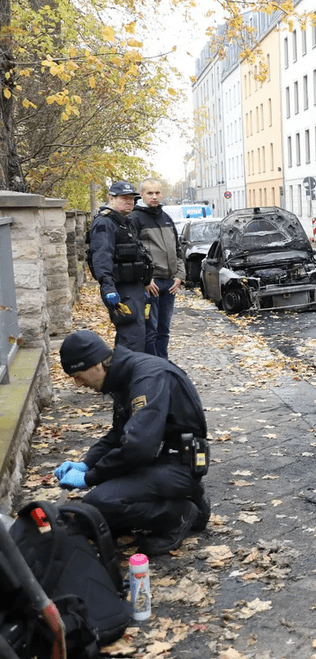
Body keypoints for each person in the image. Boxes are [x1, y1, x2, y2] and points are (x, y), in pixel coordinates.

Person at [55, 329, 211, 556]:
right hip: (163, 457)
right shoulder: (123, 375)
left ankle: (180, 514)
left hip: (178, 463)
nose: (79, 384)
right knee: (95, 509)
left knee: (102, 501)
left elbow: (139, 447)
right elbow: (119, 433)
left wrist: (89, 478)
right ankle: (184, 497)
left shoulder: (146, 379)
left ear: (97, 365)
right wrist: (86, 463)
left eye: (79, 375)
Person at [89, 181, 152, 352]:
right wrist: (108, 287)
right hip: (122, 290)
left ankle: (129, 373)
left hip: (134, 288)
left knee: (137, 336)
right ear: (111, 198)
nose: (129, 202)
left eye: (132, 198)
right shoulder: (105, 223)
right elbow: (102, 257)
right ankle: (127, 375)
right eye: (124, 198)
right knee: (131, 340)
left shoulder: (124, 221)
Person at [131, 178, 185, 359]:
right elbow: (133, 255)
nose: (154, 197)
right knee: (150, 331)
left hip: (170, 284)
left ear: (161, 194)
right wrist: (145, 280)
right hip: (151, 285)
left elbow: (178, 250)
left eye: (157, 193)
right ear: (142, 195)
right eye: (150, 193)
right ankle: (152, 368)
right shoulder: (135, 219)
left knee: (164, 330)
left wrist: (179, 276)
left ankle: (164, 364)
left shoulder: (166, 218)